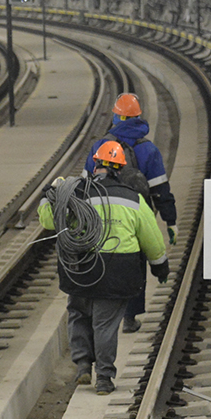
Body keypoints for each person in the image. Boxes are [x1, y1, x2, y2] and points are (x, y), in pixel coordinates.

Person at [40, 141, 169, 395]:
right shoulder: (134, 199)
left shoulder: (76, 195)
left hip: (80, 267)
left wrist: (47, 195)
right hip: (118, 271)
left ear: (95, 166)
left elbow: (48, 220)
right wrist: (159, 266)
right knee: (105, 324)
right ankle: (104, 379)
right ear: (120, 169)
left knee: (78, 312)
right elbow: (151, 238)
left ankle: (83, 366)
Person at [83, 93, 178, 333]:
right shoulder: (148, 149)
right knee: (135, 263)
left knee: (104, 260)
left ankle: (105, 315)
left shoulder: (100, 146)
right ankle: (129, 317)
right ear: (137, 118)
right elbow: (160, 189)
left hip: (102, 213)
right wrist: (170, 220)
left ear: (117, 116)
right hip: (137, 213)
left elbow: (84, 184)